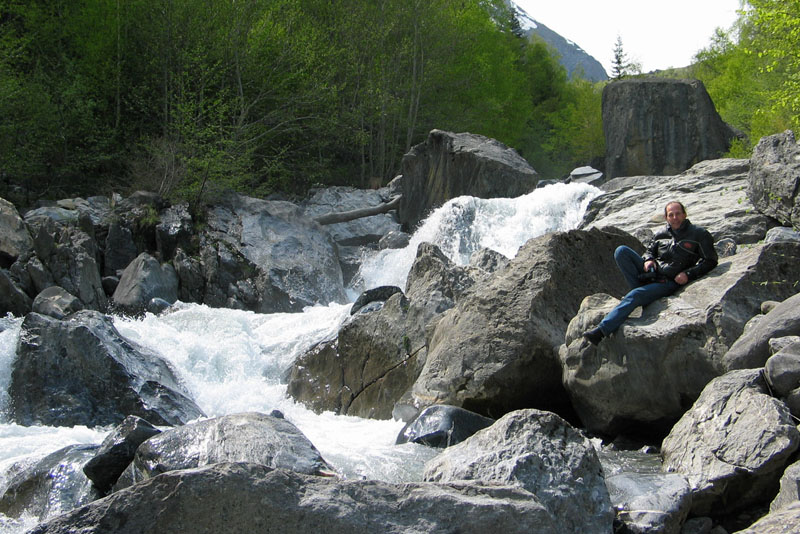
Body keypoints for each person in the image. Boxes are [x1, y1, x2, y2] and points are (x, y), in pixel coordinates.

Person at [583, 201, 718, 345]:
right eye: (670, 215)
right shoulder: (661, 234)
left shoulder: (699, 234)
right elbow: (649, 251)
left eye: (678, 214)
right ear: (666, 218)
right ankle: (643, 295)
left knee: (635, 295)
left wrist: (688, 274)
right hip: (652, 275)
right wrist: (649, 259)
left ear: (684, 214)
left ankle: (601, 331)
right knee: (621, 251)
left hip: (669, 281)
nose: (675, 217)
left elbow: (710, 260)